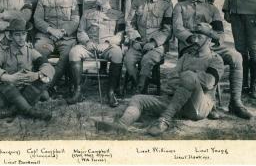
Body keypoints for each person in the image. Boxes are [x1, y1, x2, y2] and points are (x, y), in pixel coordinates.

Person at [96, 26, 224, 136]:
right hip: (176, 102)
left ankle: (164, 120)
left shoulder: (215, 59)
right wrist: (184, 80)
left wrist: (188, 78)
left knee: (189, 76)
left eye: (200, 37)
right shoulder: (186, 56)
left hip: (198, 107)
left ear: (210, 40)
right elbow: (171, 80)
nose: (195, 39)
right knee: (137, 99)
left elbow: (208, 83)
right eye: (194, 36)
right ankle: (121, 124)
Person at [173, 0, 252, 119]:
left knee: (236, 57)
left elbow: (220, 36)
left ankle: (235, 102)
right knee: (213, 60)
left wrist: (208, 33)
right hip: (190, 47)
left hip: (211, 45)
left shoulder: (212, 9)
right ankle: (210, 104)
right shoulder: (180, 7)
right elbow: (178, 30)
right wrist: (192, 38)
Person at [67, 0, 125, 107]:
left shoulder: (118, 14)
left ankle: (110, 92)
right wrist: (87, 41)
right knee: (74, 52)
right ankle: (78, 91)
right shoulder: (87, 13)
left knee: (117, 53)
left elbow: (120, 35)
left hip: (107, 47)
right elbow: (80, 31)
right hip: (90, 46)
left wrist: (108, 43)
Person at [0, 18, 54, 121]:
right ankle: (32, 112)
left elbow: (49, 67)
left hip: (28, 93)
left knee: (43, 78)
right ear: (10, 36)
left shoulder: (31, 52)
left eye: (23, 34)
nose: (21, 38)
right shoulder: (3, 53)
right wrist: (9, 78)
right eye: (17, 34)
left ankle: (12, 111)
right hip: (8, 95)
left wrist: (36, 75)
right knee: (0, 80)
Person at [124, 0, 173, 93]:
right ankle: (139, 84)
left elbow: (167, 30)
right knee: (128, 60)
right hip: (138, 43)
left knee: (147, 60)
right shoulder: (138, 1)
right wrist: (135, 39)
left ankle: (140, 88)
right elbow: (130, 23)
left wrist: (153, 43)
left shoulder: (166, 5)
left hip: (156, 46)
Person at [34, 0, 79, 95]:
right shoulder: (43, 0)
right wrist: (51, 30)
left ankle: (47, 86)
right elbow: (37, 19)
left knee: (67, 55)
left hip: (66, 39)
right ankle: (43, 82)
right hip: (47, 37)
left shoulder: (72, 0)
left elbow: (75, 21)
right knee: (39, 50)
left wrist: (63, 32)